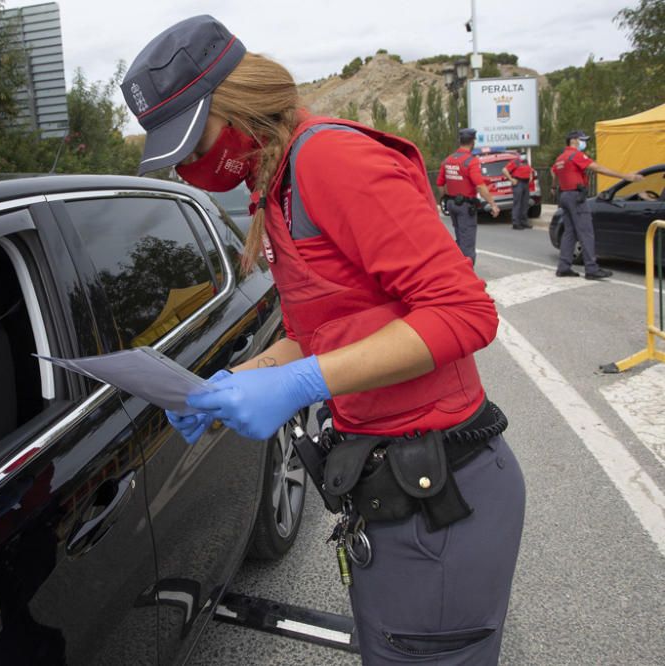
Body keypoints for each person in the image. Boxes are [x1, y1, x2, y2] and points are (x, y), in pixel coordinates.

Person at [123, 15, 525, 665]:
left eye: (194, 144)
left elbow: (465, 312)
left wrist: (302, 383)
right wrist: (240, 378)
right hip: (391, 486)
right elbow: (315, 333)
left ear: (238, 104)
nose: (189, 168)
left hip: (441, 493)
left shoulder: (329, 159)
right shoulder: (275, 184)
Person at [552, 130, 643, 279]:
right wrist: (626, 176)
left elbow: (555, 173)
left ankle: (563, 267)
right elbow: (598, 168)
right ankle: (591, 269)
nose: (584, 143)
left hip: (564, 195)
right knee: (586, 232)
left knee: (570, 232)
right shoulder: (576, 155)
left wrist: (554, 187)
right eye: (582, 140)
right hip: (576, 197)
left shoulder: (560, 158)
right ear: (573, 140)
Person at [436, 127, 501, 264]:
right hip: (465, 207)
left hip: (452, 204)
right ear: (472, 142)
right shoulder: (471, 161)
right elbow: (480, 186)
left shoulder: (448, 160)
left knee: (460, 240)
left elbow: (440, 184)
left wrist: (446, 198)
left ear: (460, 141)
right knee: (468, 245)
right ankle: (468, 272)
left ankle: (458, 268)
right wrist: (493, 204)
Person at [501, 152, 535, 229]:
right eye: (522, 154)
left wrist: (530, 176)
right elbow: (504, 170)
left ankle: (524, 221)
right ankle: (516, 223)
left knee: (525, 203)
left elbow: (530, 170)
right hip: (518, 183)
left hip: (525, 183)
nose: (524, 156)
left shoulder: (526, 162)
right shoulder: (516, 161)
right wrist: (511, 179)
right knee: (518, 203)